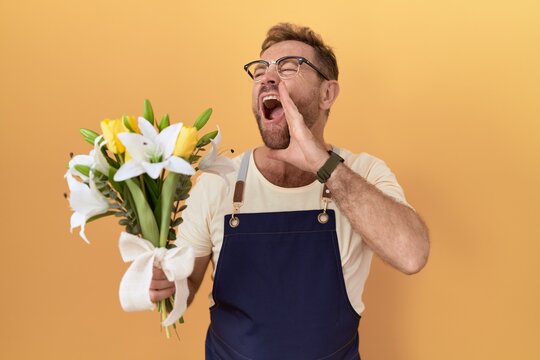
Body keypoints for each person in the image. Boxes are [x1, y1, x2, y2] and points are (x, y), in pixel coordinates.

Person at [151, 23, 430, 359]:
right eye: (260, 71)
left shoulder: (364, 172)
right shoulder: (219, 180)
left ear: (327, 94)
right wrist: (165, 283)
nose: (268, 77)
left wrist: (321, 164)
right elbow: (186, 285)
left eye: (288, 67)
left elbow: (411, 254)